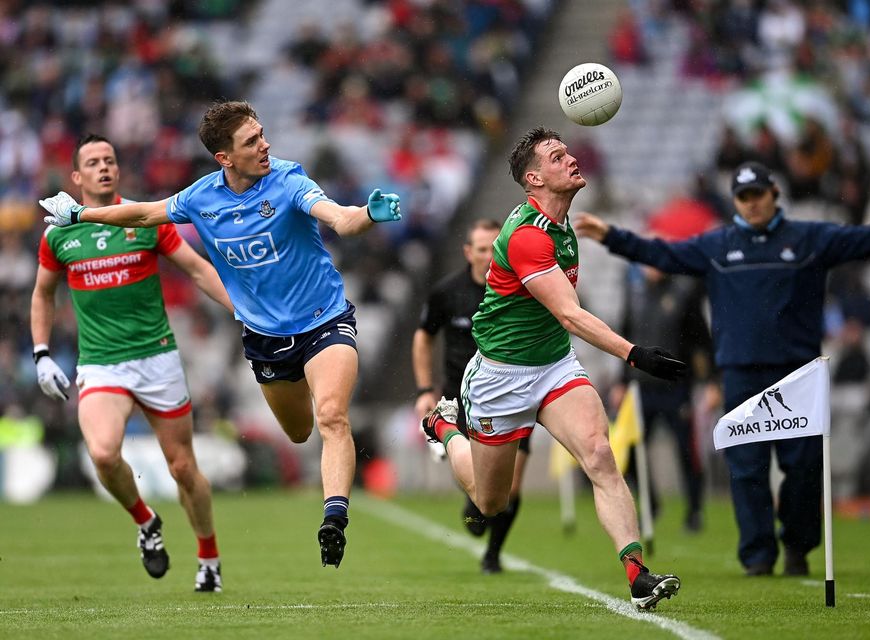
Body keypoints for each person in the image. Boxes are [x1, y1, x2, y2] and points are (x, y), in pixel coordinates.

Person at [38, 101, 402, 570]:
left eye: (263, 133)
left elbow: (339, 218)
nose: (265, 144)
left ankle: (334, 517)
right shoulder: (201, 198)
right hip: (267, 339)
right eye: (251, 141)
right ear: (224, 158)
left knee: (332, 416)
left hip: (324, 320)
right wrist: (80, 218)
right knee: (299, 431)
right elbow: (146, 214)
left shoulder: (289, 180)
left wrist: (367, 215)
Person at [575, 161, 870, 577]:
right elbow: (663, 254)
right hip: (741, 374)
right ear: (735, 201)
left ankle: (798, 547)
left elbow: (865, 241)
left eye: (757, 195)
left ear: (774, 194)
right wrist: (612, 238)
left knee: (802, 469)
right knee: (746, 469)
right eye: (743, 197)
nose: (752, 204)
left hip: (798, 374)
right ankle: (758, 557)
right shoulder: (717, 246)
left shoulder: (808, 239)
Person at [421, 127, 686, 611]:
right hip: (500, 378)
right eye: (557, 156)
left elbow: (561, 324)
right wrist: (634, 353)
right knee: (489, 503)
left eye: (568, 152)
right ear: (534, 179)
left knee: (601, 457)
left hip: (554, 366)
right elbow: (569, 313)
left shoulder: (563, 224)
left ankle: (637, 574)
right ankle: (444, 426)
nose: (571, 160)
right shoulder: (526, 237)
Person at [31, 134, 234, 591]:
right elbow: (43, 293)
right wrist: (41, 352)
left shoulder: (144, 219)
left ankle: (209, 558)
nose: (104, 167)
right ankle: (146, 523)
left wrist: (242, 312)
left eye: (110, 159)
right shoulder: (59, 233)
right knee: (102, 453)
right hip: (102, 364)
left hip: (157, 357)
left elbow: (199, 269)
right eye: (93, 162)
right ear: (77, 177)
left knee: (183, 467)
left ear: (118, 170)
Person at [412, 218, 529, 574]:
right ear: (468, 252)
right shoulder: (447, 292)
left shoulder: (518, 287)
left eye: (495, 247)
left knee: (512, 482)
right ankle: (475, 503)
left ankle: (493, 555)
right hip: (459, 399)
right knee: (481, 493)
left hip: (512, 395)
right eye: (481, 248)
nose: (489, 255)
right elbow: (423, 336)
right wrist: (423, 389)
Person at [615, 262, 712, 533]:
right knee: (630, 450)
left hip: (676, 388)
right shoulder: (635, 294)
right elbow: (623, 341)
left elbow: (701, 340)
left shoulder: (683, 294)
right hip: (640, 388)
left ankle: (694, 510)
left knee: (686, 451)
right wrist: (621, 382)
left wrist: (711, 381)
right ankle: (650, 502)